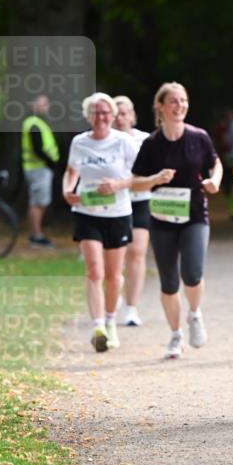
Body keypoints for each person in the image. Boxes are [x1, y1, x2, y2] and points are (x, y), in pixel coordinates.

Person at [131, 82, 222, 359]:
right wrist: (155, 180)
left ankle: (194, 315)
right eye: (173, 101)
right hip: (161, 217)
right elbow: (134, 183)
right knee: (169, 282)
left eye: (183, 100)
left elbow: (215, 163)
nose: (179, 105)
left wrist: (214, 181)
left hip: (194, 214)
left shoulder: (199, 137)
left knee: (192, 273)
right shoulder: (151, 144)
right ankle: (175, 335)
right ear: (160, 106)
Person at [62, 93, 138, 352]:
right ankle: (97, 327)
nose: (101, 117)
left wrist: (117, 184)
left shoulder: (124, 142)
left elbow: (138, 176)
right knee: (95, 270)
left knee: (114, 274)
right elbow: (71, 171)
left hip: (117, 213)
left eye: (105, 112)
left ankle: (110, 321)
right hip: (87, 211)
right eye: (96, 112)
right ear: (88, 116)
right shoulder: (79, 142)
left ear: (113, 115)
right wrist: (68, 190)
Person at [113, 95, 150, 326]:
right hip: (113, 204)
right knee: (117, 256)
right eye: (115, 113)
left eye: (124, 113)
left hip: (140, 201)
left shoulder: (145, 139)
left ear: (132, 116)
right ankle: (114, 290)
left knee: (137, 252)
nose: (120, 118)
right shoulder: (104, 140)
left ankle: (131, 308)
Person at [21, 94, 60, 247]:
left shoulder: (37, 122)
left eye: (46, 104)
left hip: (37, 168)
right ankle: (36, 235)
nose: (45, 107)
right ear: (33, 105)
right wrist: (50, 163)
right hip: (38, 168)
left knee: (36, 202)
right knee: (38, 203)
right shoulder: (34, 124)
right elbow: (38, 148)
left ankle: (36, 234)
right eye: (42, 104)